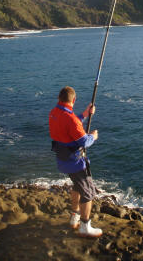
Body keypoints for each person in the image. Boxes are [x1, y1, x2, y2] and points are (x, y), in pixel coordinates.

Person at [49, 86, 102, 238]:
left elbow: (70, 122)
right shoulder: (70, 119)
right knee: (88, 193)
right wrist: (93, 136)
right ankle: (85, 226)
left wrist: (85, 114)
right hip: (75, 162)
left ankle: (74, 217)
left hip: (63, 159)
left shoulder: (54, 113)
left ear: (59, 99)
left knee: (78, 186)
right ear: (74, 100)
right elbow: (84, 142)